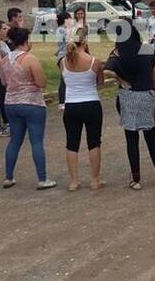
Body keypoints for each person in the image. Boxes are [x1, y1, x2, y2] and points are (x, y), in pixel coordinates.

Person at [104, 20, 155, 190]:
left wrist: (121, 80)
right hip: (146, 94)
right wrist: (153, 91)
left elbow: (106, 71)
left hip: (127, 96)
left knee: (131, 138)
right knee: (151, 135)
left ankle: (136, 178)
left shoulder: (117, 53)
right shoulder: (147, 49)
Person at [0, 27, 56, 190]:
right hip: (32, 103)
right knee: (36, 141)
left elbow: (4, 82)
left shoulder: (5, 59)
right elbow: (41, 82)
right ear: (26, 41)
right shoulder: (30, 58)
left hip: (11, 103)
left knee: (14, 140)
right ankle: (42, 178)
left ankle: (9, 176)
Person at [61, 27, 104, 191]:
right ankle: (94, 179)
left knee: (72, 143)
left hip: (71, 104)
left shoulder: (63, 62)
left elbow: (66, 82)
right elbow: (100, 82)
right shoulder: (94, 61)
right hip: (91, 102)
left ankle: (73, 181)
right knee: (94, 141)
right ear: (84, 41)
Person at [55, 10, 71, 110]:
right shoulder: (62, 30)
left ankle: (66, 100)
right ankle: (62, 102)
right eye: (69, 18)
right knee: (64, 79)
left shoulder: (63, 29)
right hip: (64, 56)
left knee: (67, 78)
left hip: (63, 55)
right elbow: (68, 42)